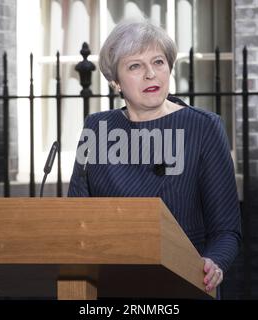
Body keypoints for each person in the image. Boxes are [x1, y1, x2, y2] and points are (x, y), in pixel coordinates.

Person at [68, 19, 241, 296]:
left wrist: (214, 262)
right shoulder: (96, 128)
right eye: (135, 66)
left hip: (185, 284)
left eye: (158, 62)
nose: (151, 74)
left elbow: (226, 231)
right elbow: (75, 218)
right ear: (115, 81)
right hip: (113, 287)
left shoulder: (203, 127)